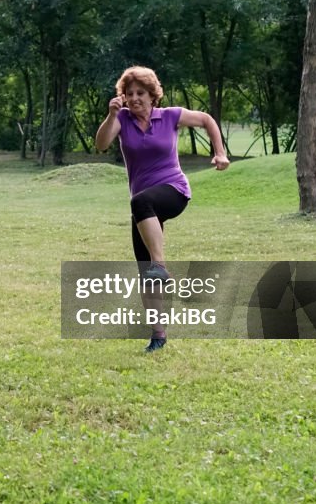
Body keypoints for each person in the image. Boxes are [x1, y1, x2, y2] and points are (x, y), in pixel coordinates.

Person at [95, 65, 230, 353]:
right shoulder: (122, 120)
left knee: (140, 204)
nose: (134, 98)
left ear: (152, 95)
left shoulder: (169, 116)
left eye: (140, 93)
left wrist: (219, 152)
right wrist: (110, 115)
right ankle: (158, 335)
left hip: (174, 191)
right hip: (143, 205)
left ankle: (161, 266)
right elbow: (101, 144)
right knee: (144, 272)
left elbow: (206, 119)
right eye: (129, 93)